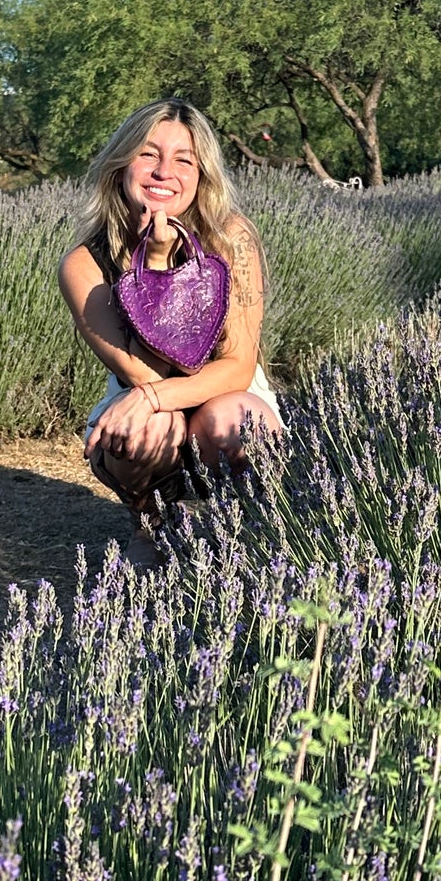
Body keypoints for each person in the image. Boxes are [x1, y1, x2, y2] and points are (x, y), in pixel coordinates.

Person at [58, 98, 282, 565]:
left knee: (232, 422)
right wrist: (155, 267)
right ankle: (151, 523)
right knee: (145, 428)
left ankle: (249, 527)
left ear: (201, 175)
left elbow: (238, 367)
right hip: (146, 396)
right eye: (148, 154)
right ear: (122, 164)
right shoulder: (85, 265)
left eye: (184, 160)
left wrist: (153, 398)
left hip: (230, 392)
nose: (164, 172)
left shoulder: (231, 236)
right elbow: (148, 374)